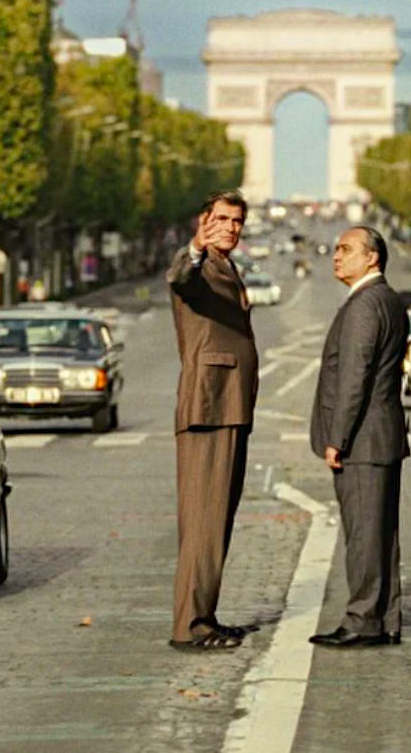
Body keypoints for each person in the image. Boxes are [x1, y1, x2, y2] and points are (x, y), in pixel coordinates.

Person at [165, 190, 260, 651]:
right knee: (203, 520)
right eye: (221, 219)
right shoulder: (198, 264)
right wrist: (196, 250)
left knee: (215, 519)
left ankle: (204, 614)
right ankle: (190, 625)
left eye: (237, 220)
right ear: (202, 223)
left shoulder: (228, 265)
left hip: (228, 405)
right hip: (209, 405)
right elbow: (182, 278)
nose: (230, 227)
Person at [308, 225, 409, 648]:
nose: (336, 256)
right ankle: (384, 618)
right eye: (336, 249)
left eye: (346, 249)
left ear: (372, 258)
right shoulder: (389, 300)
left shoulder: (364, 306)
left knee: (364, 535)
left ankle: (362, 620)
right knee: (381, 535)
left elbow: (354, 377)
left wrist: (338, 438)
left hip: (363, 439)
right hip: (381, 435)